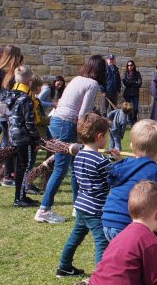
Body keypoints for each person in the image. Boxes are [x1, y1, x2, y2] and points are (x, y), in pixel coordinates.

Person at [35, 55, 106, 225]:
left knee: (74, 165)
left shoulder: (76, 79)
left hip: (57, 121)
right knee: (61, 168)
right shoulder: (92, 84)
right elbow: (83, 114)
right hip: (67, 124)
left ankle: (78, 206)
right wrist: (86, 135)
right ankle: (44, 209)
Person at [56, 114, 112, 278]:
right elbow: (114, 177)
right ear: (100, 136)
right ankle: (102, 277)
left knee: (75, 236)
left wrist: (108, 158)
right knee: (102, 240)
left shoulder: (79, 155)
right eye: (106, 135)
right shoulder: (101, 161)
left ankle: (64, 266)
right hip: (95, 209)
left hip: (81, 206)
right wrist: (115, 161)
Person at [101, 119, 157, 242]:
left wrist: (119, 160)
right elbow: (156, 204)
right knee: (133, 259)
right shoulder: (156, 172)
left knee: (116, 257)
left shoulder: (123, 165)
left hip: (107, 219)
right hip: (126, 224)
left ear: (131, 145)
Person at [5, 65, 41, 208]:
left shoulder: (11, 94)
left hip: (13, 136)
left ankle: (21, 196)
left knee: (19, 167)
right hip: (24, 138)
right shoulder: (26, 98)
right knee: (24, 168)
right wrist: (37, 138)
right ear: (29, 81)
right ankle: (19, 198)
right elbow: (29, 122)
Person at [0, 45, 24, 186]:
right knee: (12, 145)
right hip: (11, 111)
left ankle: (7, 174)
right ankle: (9, 176)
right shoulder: (11, 72)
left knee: (6, 143)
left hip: (2, 110)